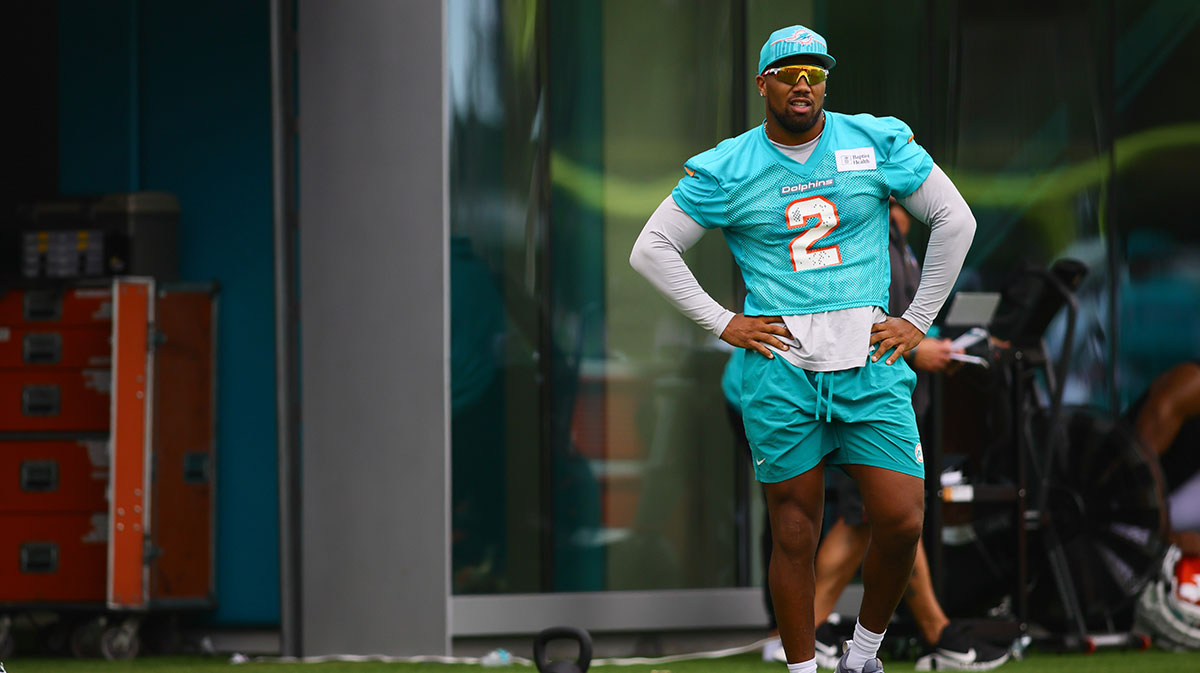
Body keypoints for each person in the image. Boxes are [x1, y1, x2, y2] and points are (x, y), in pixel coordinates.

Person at [630, 24, 976, 673]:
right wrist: (721, 320)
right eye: (788, 72)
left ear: (826, 83)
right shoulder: (730, 163)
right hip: (781, 369)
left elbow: (956, 218)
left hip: (870, 362)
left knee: (901, 518)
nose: (802, 83)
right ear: (763, 83)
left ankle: (864, 654)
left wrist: (918, 319)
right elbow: (651, 247)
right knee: (794, 530)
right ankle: (801, 668)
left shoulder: (873, 140)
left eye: (814, 73)